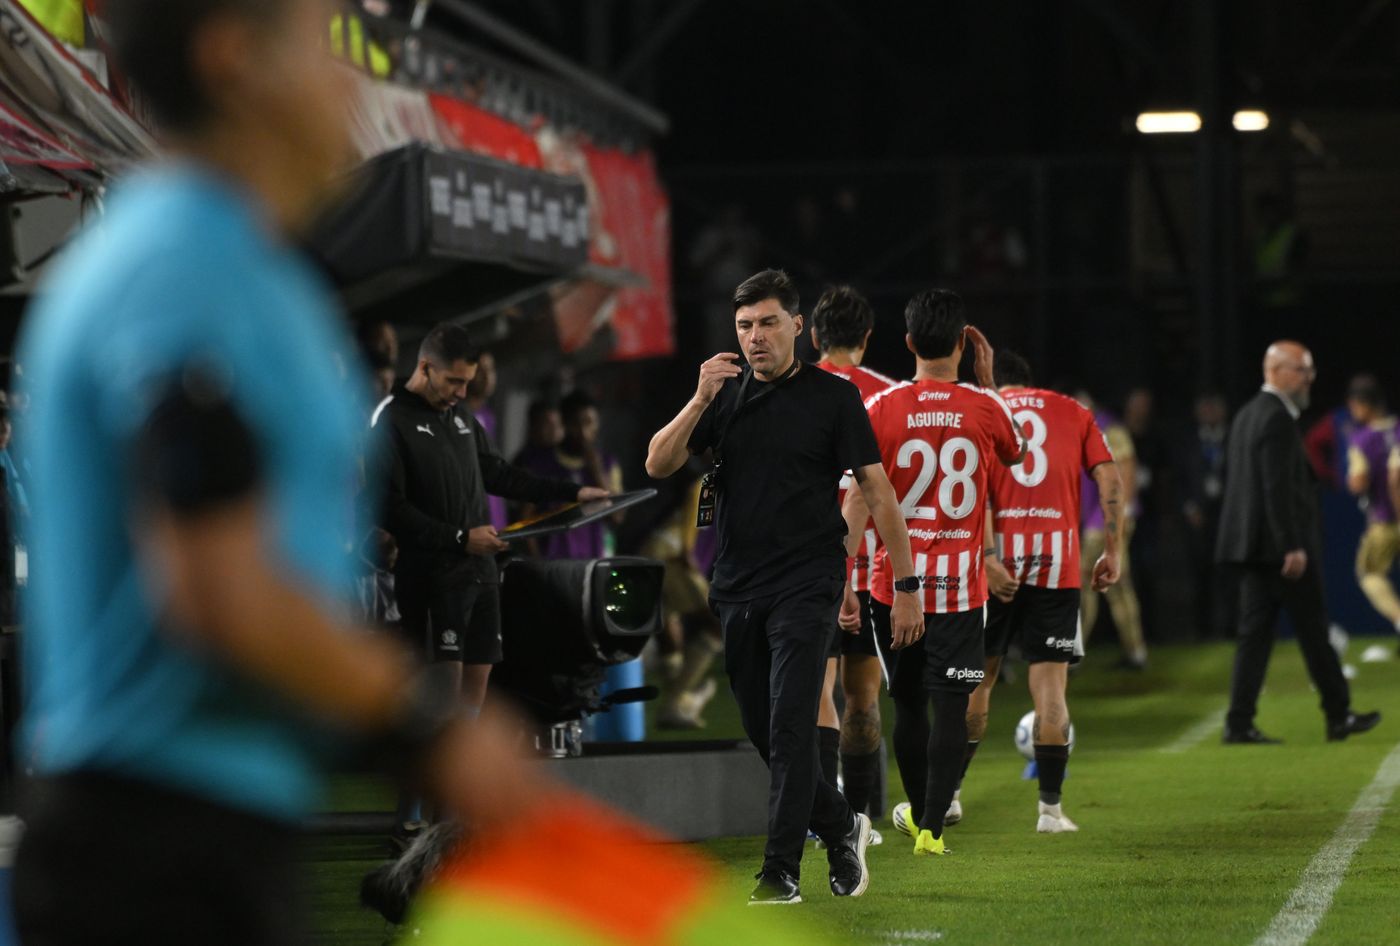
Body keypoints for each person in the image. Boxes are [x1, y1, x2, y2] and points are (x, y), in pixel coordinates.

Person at [11, 1, 541, 941]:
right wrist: (430, 727)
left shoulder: (244, 269)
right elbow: (221, 590)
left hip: (212, 829)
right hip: (151, 851)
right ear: (232, 59)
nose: (357, 81)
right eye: (323, 44)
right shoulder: (183, 267)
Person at [645, 268, 922, 905]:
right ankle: (839, 822)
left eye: (768, 323)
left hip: (810, 582)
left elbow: (877, 490)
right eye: (744, 326)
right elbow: (658, 463)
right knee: (767, 735)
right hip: (737, 587)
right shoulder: (722, 396)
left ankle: (780, 870)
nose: (756, 337)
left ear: (798, 326)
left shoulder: (833, 398)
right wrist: (697, 397)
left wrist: (904, 583)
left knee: (793, 725)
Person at [844, 290, 1023, 859]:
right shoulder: (983, 407)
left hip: (890, 585)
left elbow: (856, 501)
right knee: (952, 706)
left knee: (910, 705)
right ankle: (932, 828)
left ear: (909, 343)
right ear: (964, 343)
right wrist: (987, 380)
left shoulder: (881, 408)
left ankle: (919, 814)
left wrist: (842, 578)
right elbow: (1016, 453)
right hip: (960, 588)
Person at [372, 324, 606, 715]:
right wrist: (461, 538)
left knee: (473, 707)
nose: (462, 392)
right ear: (425, 367)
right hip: (431, 578)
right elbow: (387, 507)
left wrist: (571, 493)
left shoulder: (460, 416)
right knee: (439, 705)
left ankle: (461, 773)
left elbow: (500, 474)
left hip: (480, 575)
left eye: (467, 382)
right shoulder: (391, 420)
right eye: (454, 381)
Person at [961, 351, 1122, 833]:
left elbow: (973, 485)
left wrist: (987, 556)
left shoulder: (984, 408)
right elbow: (1109, 476)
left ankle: (947, 797)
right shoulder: (1073, 411)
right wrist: (1112, 548)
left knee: (977, 680)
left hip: (994, 564)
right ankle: (1050, 811)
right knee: (1050, 688)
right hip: (1056, 564)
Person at [1217, 341, 1381, 743]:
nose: (1309, 378)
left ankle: (1239, 722)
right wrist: (1290, 544)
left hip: (1254, 547)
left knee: (1255, 637)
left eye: (1309, 370)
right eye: (1300, 370)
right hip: (1278, 550)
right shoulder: (1274, 417)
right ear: (1274, 371)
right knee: (1312, 630)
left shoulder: (1248, 413)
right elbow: (1276, 489)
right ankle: (1338, 715)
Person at [809, 285, 898, 829]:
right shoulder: (891, 398)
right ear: (868, 338)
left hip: (805, 571)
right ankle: (859, 820)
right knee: (862, 703)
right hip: (870, 576)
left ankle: (826, 823)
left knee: (814, 696)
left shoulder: (789, 390)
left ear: (814, 336)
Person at [1076, 390, 1147, 669]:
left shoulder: (1109, 428)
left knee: (1085, 580)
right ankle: (1135, 651)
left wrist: (1124, 511)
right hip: (1097, 516)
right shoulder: (1084, 427)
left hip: (1106, 518)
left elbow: (1127, 466)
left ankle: (1073, 654)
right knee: (1118, 585)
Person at [1344, 375, 1400, 636]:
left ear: (1363, 404)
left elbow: (1359, 481)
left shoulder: (1362, 440)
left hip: (1385, 520)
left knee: (1369, 573)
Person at [1180, 392, 1230, 638]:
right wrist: (1190, 508)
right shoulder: (1188, 442)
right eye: (1205, 408)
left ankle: (1229, 630)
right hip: (1198, 519)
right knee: (1199, 576)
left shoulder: (1232, 440)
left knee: (1228, 575)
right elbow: (1179, 480)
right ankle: (1202, 632)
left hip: (1226, 518)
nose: (1209, 414)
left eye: (1214, 408)